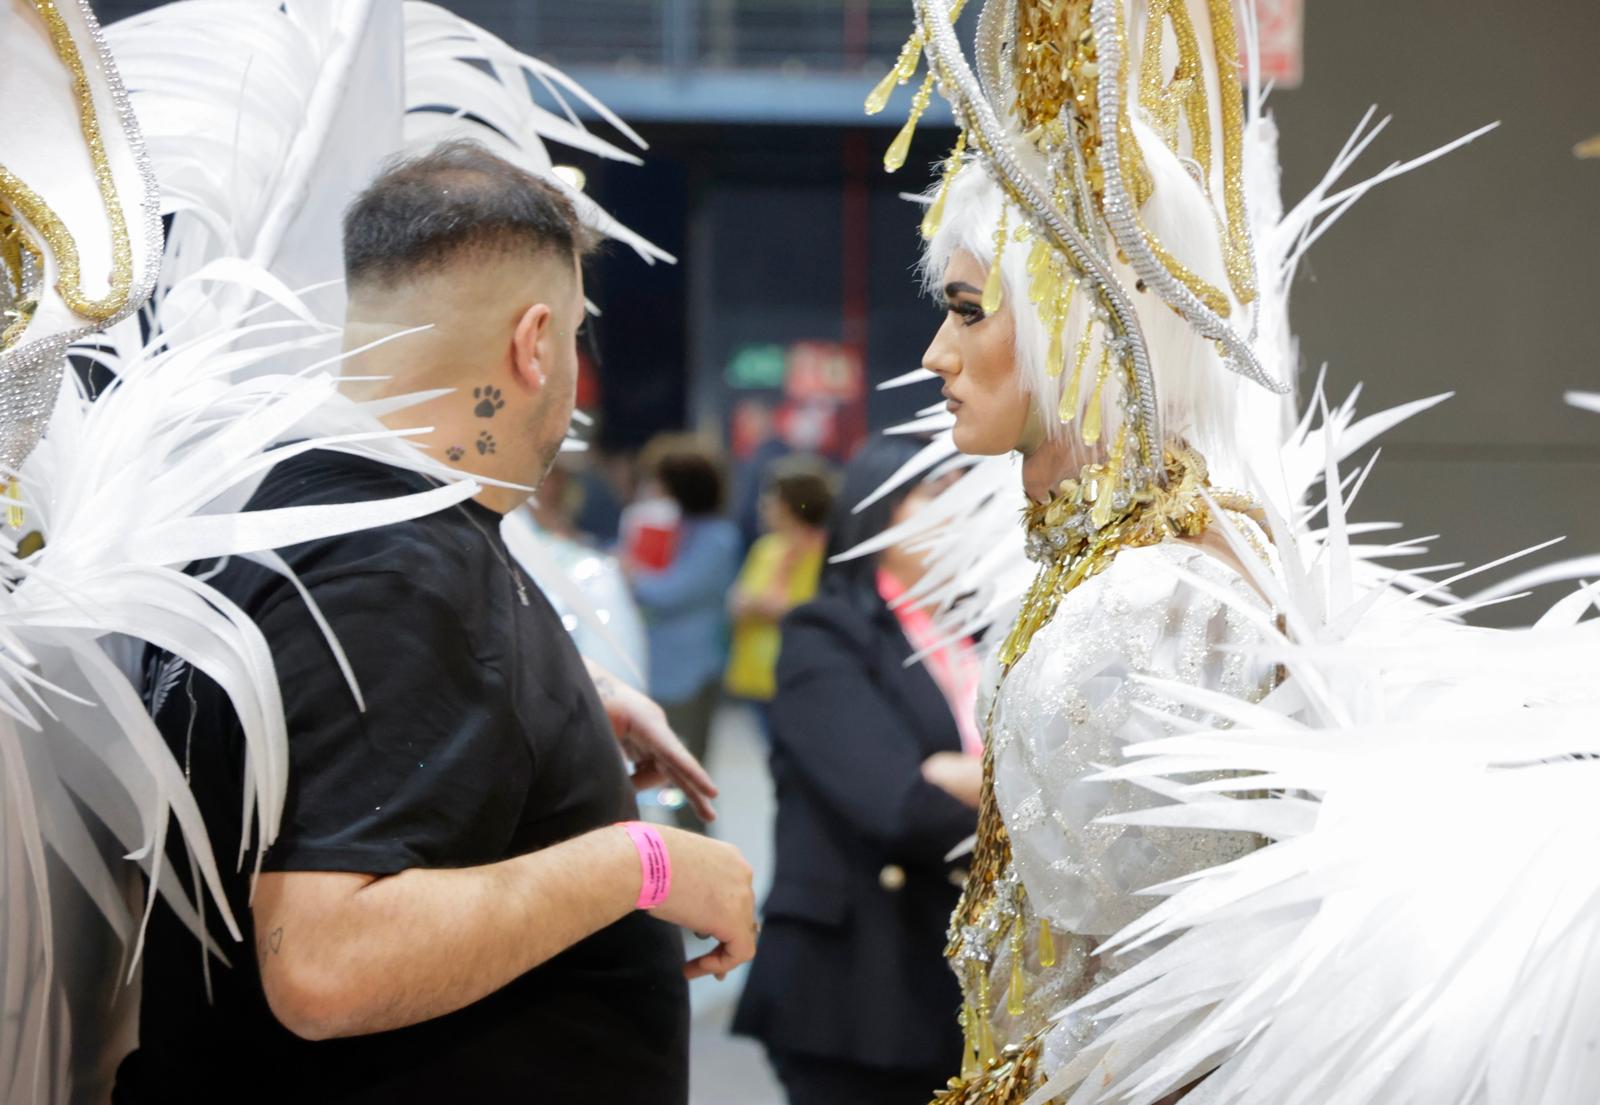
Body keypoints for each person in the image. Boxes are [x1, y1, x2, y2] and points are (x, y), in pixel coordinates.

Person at [112, 141, 757, 1104]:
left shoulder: (310, 510)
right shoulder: (397, 570)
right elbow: (326, 961)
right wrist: (644, 862)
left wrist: (566, 705)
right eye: (577, 335)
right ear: (534, 343)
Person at [858, 2, 1302, 1100]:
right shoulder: (1107, 572)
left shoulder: (1151, 605)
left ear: (1078, 312)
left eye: (967, 311)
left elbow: (1172, 998)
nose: (935, 353)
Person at [732, 437, 983, 1105]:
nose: (964, 512)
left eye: (972, 492)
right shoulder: (827, 631)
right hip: (857, 980)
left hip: (957, 968)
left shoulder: (984, 634)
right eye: (939, 492)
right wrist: (1027, 802)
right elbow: (896, 801)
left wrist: (960, 775)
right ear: (878, 512)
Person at [628, 433, 743, 829]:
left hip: (691, 675)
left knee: (684, 777)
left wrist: (632, 577)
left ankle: (699, 865)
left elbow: (675, 593)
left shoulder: (716, 538)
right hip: (662, 669)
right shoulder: (673, 528)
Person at [723, 458, 834, 710]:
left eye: (771, 498)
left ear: (791, 504)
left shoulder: (827, 554)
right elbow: (737, 602)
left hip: (803, 675)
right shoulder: (765, 549)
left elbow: (818, 612)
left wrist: (767, 608)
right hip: (756, 677)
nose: (763, 505)